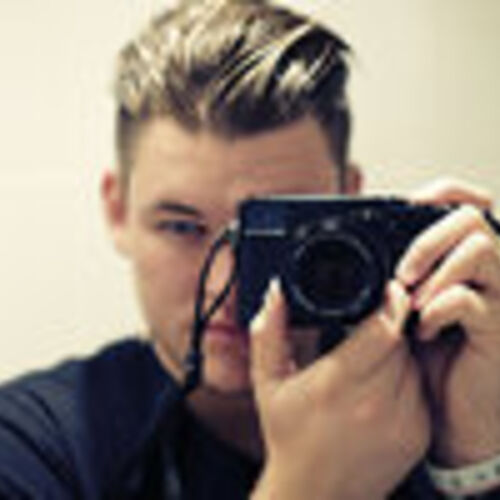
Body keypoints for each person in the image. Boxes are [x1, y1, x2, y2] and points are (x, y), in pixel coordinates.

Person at [1, 0, 500, 498]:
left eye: (275, 232)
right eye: (181, 227)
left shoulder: (443, 380)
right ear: (117, 210)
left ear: (347, 199)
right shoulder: (32, 446)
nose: (229, 286)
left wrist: (476, 457)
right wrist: (308, 486)